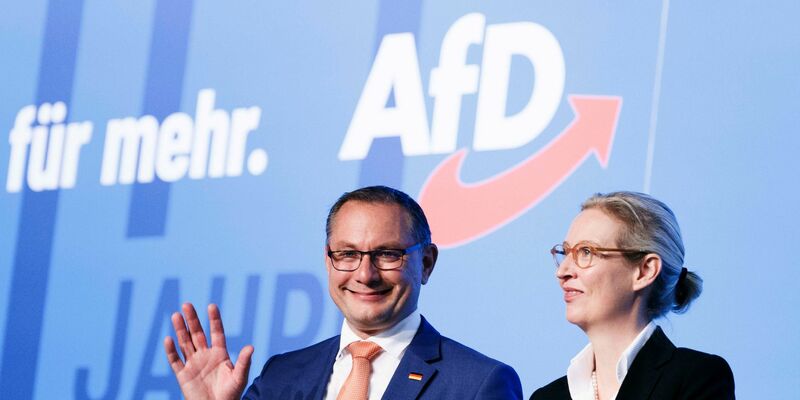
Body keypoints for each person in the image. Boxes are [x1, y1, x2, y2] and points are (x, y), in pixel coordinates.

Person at [165, 185, 523, 399]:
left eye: (387, 254)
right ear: (328, 260)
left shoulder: (478, 384)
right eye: (348, 254)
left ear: (426, 262)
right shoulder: (282, 376)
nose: (365, 274)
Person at [531, 191, 734, 400]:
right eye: (565, 252)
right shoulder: (547, 397)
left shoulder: (696, 377)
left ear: (645, 271)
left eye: (586, 252)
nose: (562, 271)